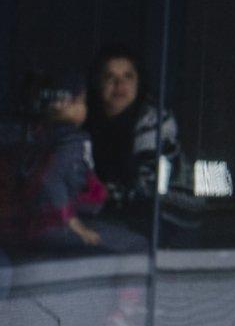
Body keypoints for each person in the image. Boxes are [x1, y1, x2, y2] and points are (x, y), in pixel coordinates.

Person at [22, 72, 144, 253]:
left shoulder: (39, 135)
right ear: (62, 104)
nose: (85, 109)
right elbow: (51, 179)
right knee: (139, 246)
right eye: (81, 102)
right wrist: (76, 226)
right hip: (58, 226)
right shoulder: (73, 141)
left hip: (38, 224)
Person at [84, 46, 196, 243]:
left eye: (128, 76)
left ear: (138, 83)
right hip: (121, 218)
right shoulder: (88, 123)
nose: (119, 84)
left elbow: (147, 189)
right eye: (110, 77)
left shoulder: (154, 121)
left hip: (168, 221)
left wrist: (91, 196)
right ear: (98, 84)